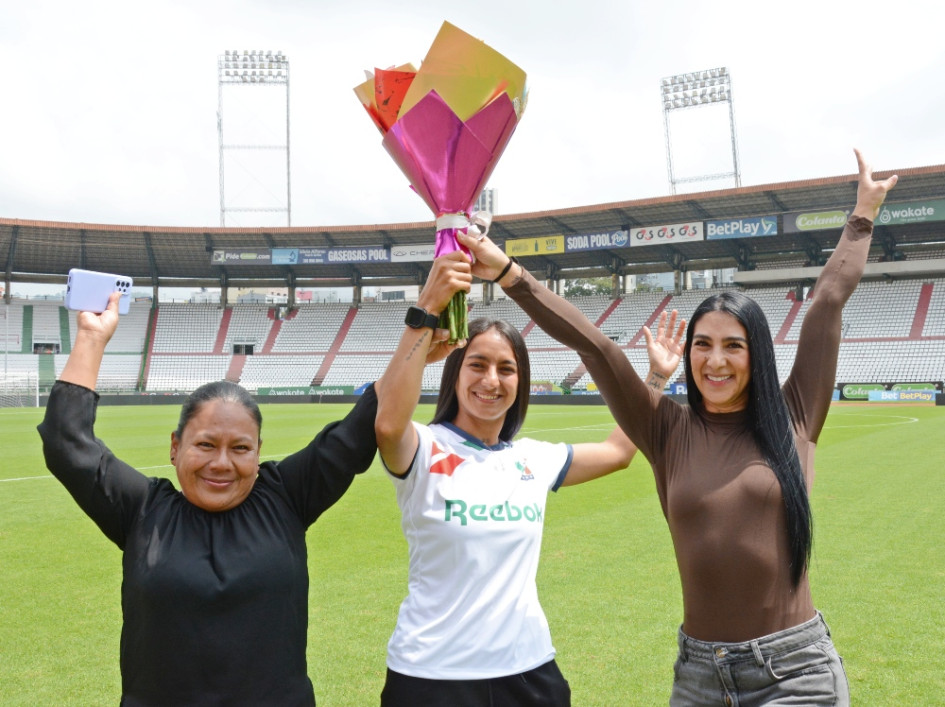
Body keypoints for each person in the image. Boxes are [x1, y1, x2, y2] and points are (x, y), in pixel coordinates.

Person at [456, 149, 898, 705]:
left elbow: (827, 302)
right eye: (703, 345)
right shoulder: (665, 428)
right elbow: (593, 344)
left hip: (795, 673)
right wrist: (506, 273)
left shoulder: (796, 415)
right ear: (688, 354)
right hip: (701, 677)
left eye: (733, 346)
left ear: (755, 353)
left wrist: (861, 217)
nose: (716, 361)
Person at [37, 292, 379, 706]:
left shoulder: (286, 496)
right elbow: (66, 444)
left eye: (240, 448)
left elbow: (360, 432)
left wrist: (420, 329)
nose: (221, 463)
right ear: (175, 447)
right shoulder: (143, 510)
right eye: (205, 444)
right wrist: (91, 337)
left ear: (258, 452)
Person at [373, 255, 677, 706]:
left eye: (507, 369)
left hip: (529, 672)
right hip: (432, 676)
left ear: (521, 381)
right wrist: (426, 312)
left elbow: (619, 452)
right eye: (477, 365)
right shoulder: (423, 447)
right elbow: (386, 426)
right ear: (456, 373)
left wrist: (656, 377)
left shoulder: (533, 459)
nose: (491, 380)